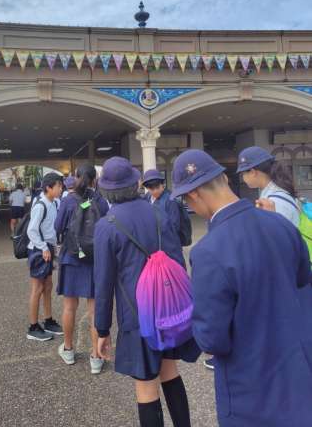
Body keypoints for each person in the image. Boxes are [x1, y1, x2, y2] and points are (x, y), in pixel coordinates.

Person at [171, 149, 312, 427]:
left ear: (194, 194)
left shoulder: (208, 251)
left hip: (251, 385)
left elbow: (212, 338)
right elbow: (302, 278)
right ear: (224, 179)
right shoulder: (279, 223)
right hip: (298, 369)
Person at [94, 157, 200, 427]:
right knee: (170, 372)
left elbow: (103, 284)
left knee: (145, 385)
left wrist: (102, 329)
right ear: (136, 183)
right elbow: (177, 260)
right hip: (167, 309)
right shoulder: (158, 212)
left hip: (136, 314)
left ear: (106, 190)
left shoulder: (107, 225)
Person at [55, 164, 109, 374]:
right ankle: (96, 357)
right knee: (94, 310)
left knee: (69, 307)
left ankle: (68, 350)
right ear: (95, 180)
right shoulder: (100, 201)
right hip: (94, 260)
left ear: (76, 178)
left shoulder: (68, 201)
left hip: (72, 257)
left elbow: (58, 227)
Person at [26, 172, 64, 341]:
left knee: (48, 285)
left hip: (47, 248)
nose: (61, 189)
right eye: (58, 186)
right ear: (49, 188)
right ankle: (33, 327)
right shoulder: (41, 205)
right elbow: (31, 230)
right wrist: (43, 248)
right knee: (37, 288)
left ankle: (48, 321)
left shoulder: (53, 202)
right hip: (39, 250)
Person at [237, 146, 300, 226]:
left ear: (253, 172)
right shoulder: (274, 194)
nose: (243, 178)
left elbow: (277, 233)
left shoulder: (275, 202)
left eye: (243, 174)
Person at [141, 169, 192, 247]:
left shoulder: (171, 200)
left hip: (170, 244)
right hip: (155, 242)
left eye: (157, 187)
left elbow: (174, 227)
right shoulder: (146, 198)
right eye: (151, 189)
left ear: (163, 185)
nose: (155, 191)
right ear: (147, 188)